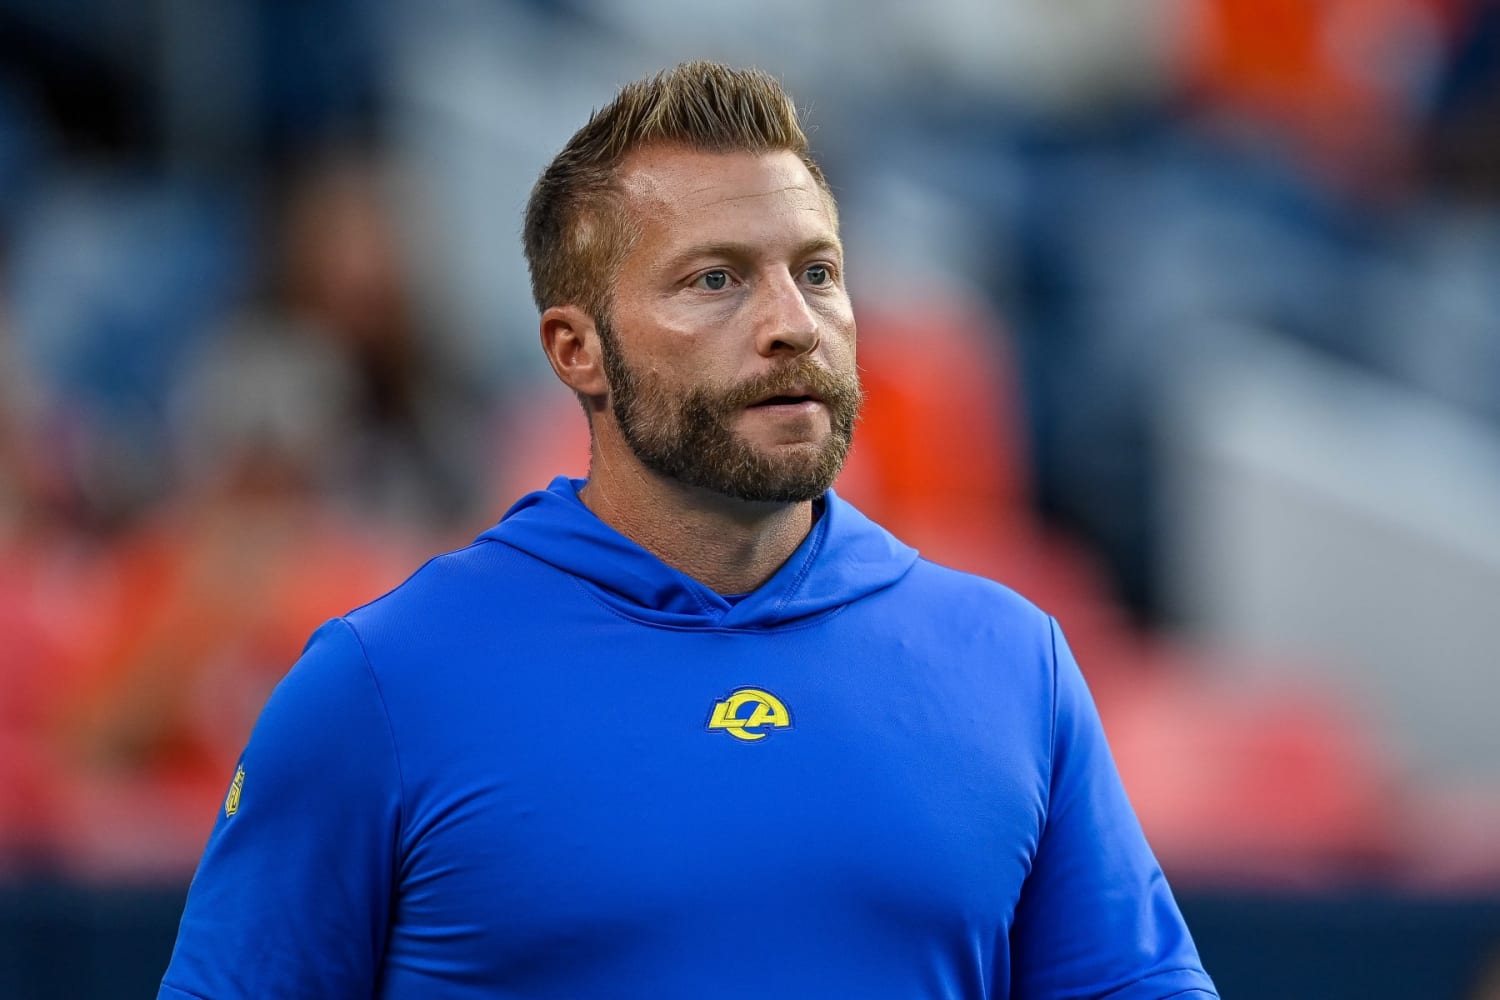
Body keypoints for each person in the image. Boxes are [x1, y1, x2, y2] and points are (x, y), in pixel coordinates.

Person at [158, 61, 1217, 999]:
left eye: (816, 272)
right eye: (715, 280)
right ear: (578, 350)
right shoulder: (378, 684)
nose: (791, 324)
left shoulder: (1012, 662)